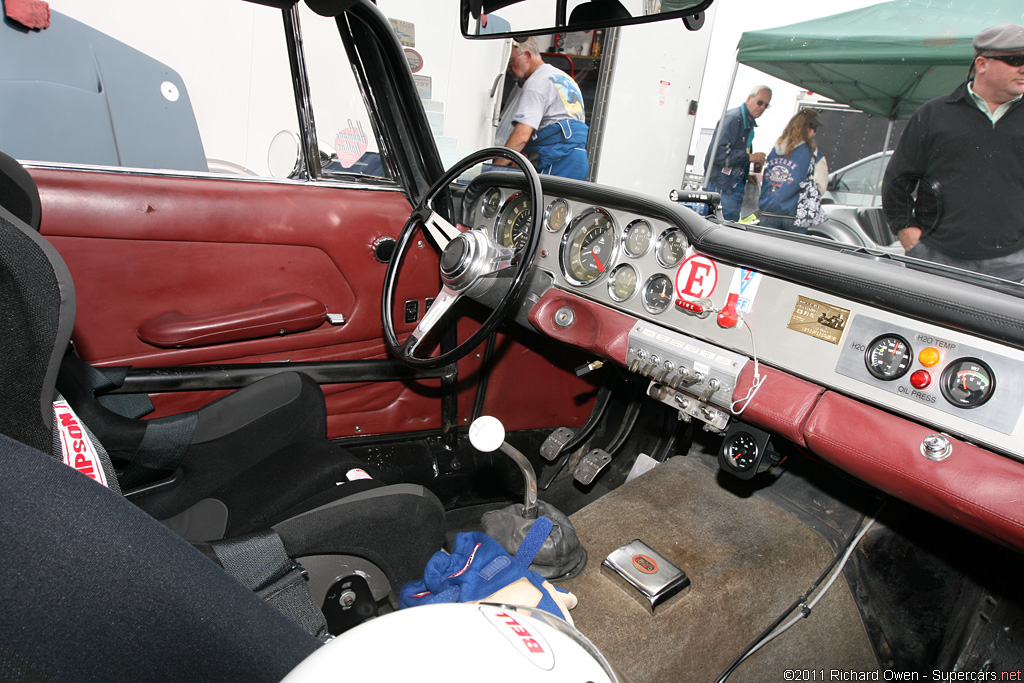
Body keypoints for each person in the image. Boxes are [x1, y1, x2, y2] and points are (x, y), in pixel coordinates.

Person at [882, 24, 1024, 282]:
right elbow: (898, 180)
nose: (1023, 68)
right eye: (1016, 60)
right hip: (936, 259)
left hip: (1013, 266)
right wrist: (907, 233)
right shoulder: (934, 114)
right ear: (982, 64)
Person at [499, 37, 590, 180]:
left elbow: (522, 136)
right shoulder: (562, 77)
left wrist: (496, 168)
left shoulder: (536, 83)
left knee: (541, 202)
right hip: (578, 160)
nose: (509, 68)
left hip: (557, 160)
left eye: (511, 62)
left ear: (527, 56)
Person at [704, 85, 772, 221]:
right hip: (723, 187)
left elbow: (732, 154)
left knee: (726, 229)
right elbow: (717, 153)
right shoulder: (734, 119)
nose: (762, 107)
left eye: (766, 105)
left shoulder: (745, 121)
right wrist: (750, 157)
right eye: (760, 102)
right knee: (721, 230)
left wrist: (746, 173)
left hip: (729, 186)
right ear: (749, 98)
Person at [757, 109, 829, 234]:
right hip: (794, 216)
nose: (814, 133)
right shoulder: (814, 154)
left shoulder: (774, 151)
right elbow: (821, 185)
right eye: (814, 128)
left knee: (765, 251)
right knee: (790, 252)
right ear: (809, 129)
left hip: (768, 211)